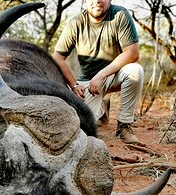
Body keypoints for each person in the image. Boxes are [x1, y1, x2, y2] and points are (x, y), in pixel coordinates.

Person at [52, 0, 144, 144]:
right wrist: (74, 85)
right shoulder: (76, 22)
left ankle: (124, 126)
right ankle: (102, 107)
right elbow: (57, 58)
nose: (97, 1)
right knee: (80, 127)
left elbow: (132, 53)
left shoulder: (120, 14)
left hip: (114, 76)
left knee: (135, 71)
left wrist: (101, 75)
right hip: (88, 82)